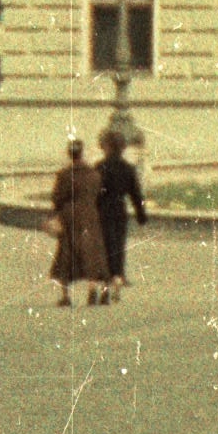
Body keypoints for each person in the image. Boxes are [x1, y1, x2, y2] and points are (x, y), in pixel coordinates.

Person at [46, 136, 105, 309]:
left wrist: (56, 213)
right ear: (82, 153)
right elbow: (99, 195)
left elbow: (57, 198)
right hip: (90, 215)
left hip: (69, 216)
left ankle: (65, 296)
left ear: (69, 154)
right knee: (91, 252)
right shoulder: (94, 174)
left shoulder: (64, 175)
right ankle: (93, 289)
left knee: (66, 252)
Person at [95, 131, 145, 300]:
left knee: (104, 247)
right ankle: (117, 277)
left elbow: (94, 192)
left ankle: (105, 284)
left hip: (103, 211)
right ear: (123, 148)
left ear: (106, 147)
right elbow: (136, 194)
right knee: (118, 245)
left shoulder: (100, 167)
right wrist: (141, 215)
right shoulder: (128, 168)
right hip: (119, 210)